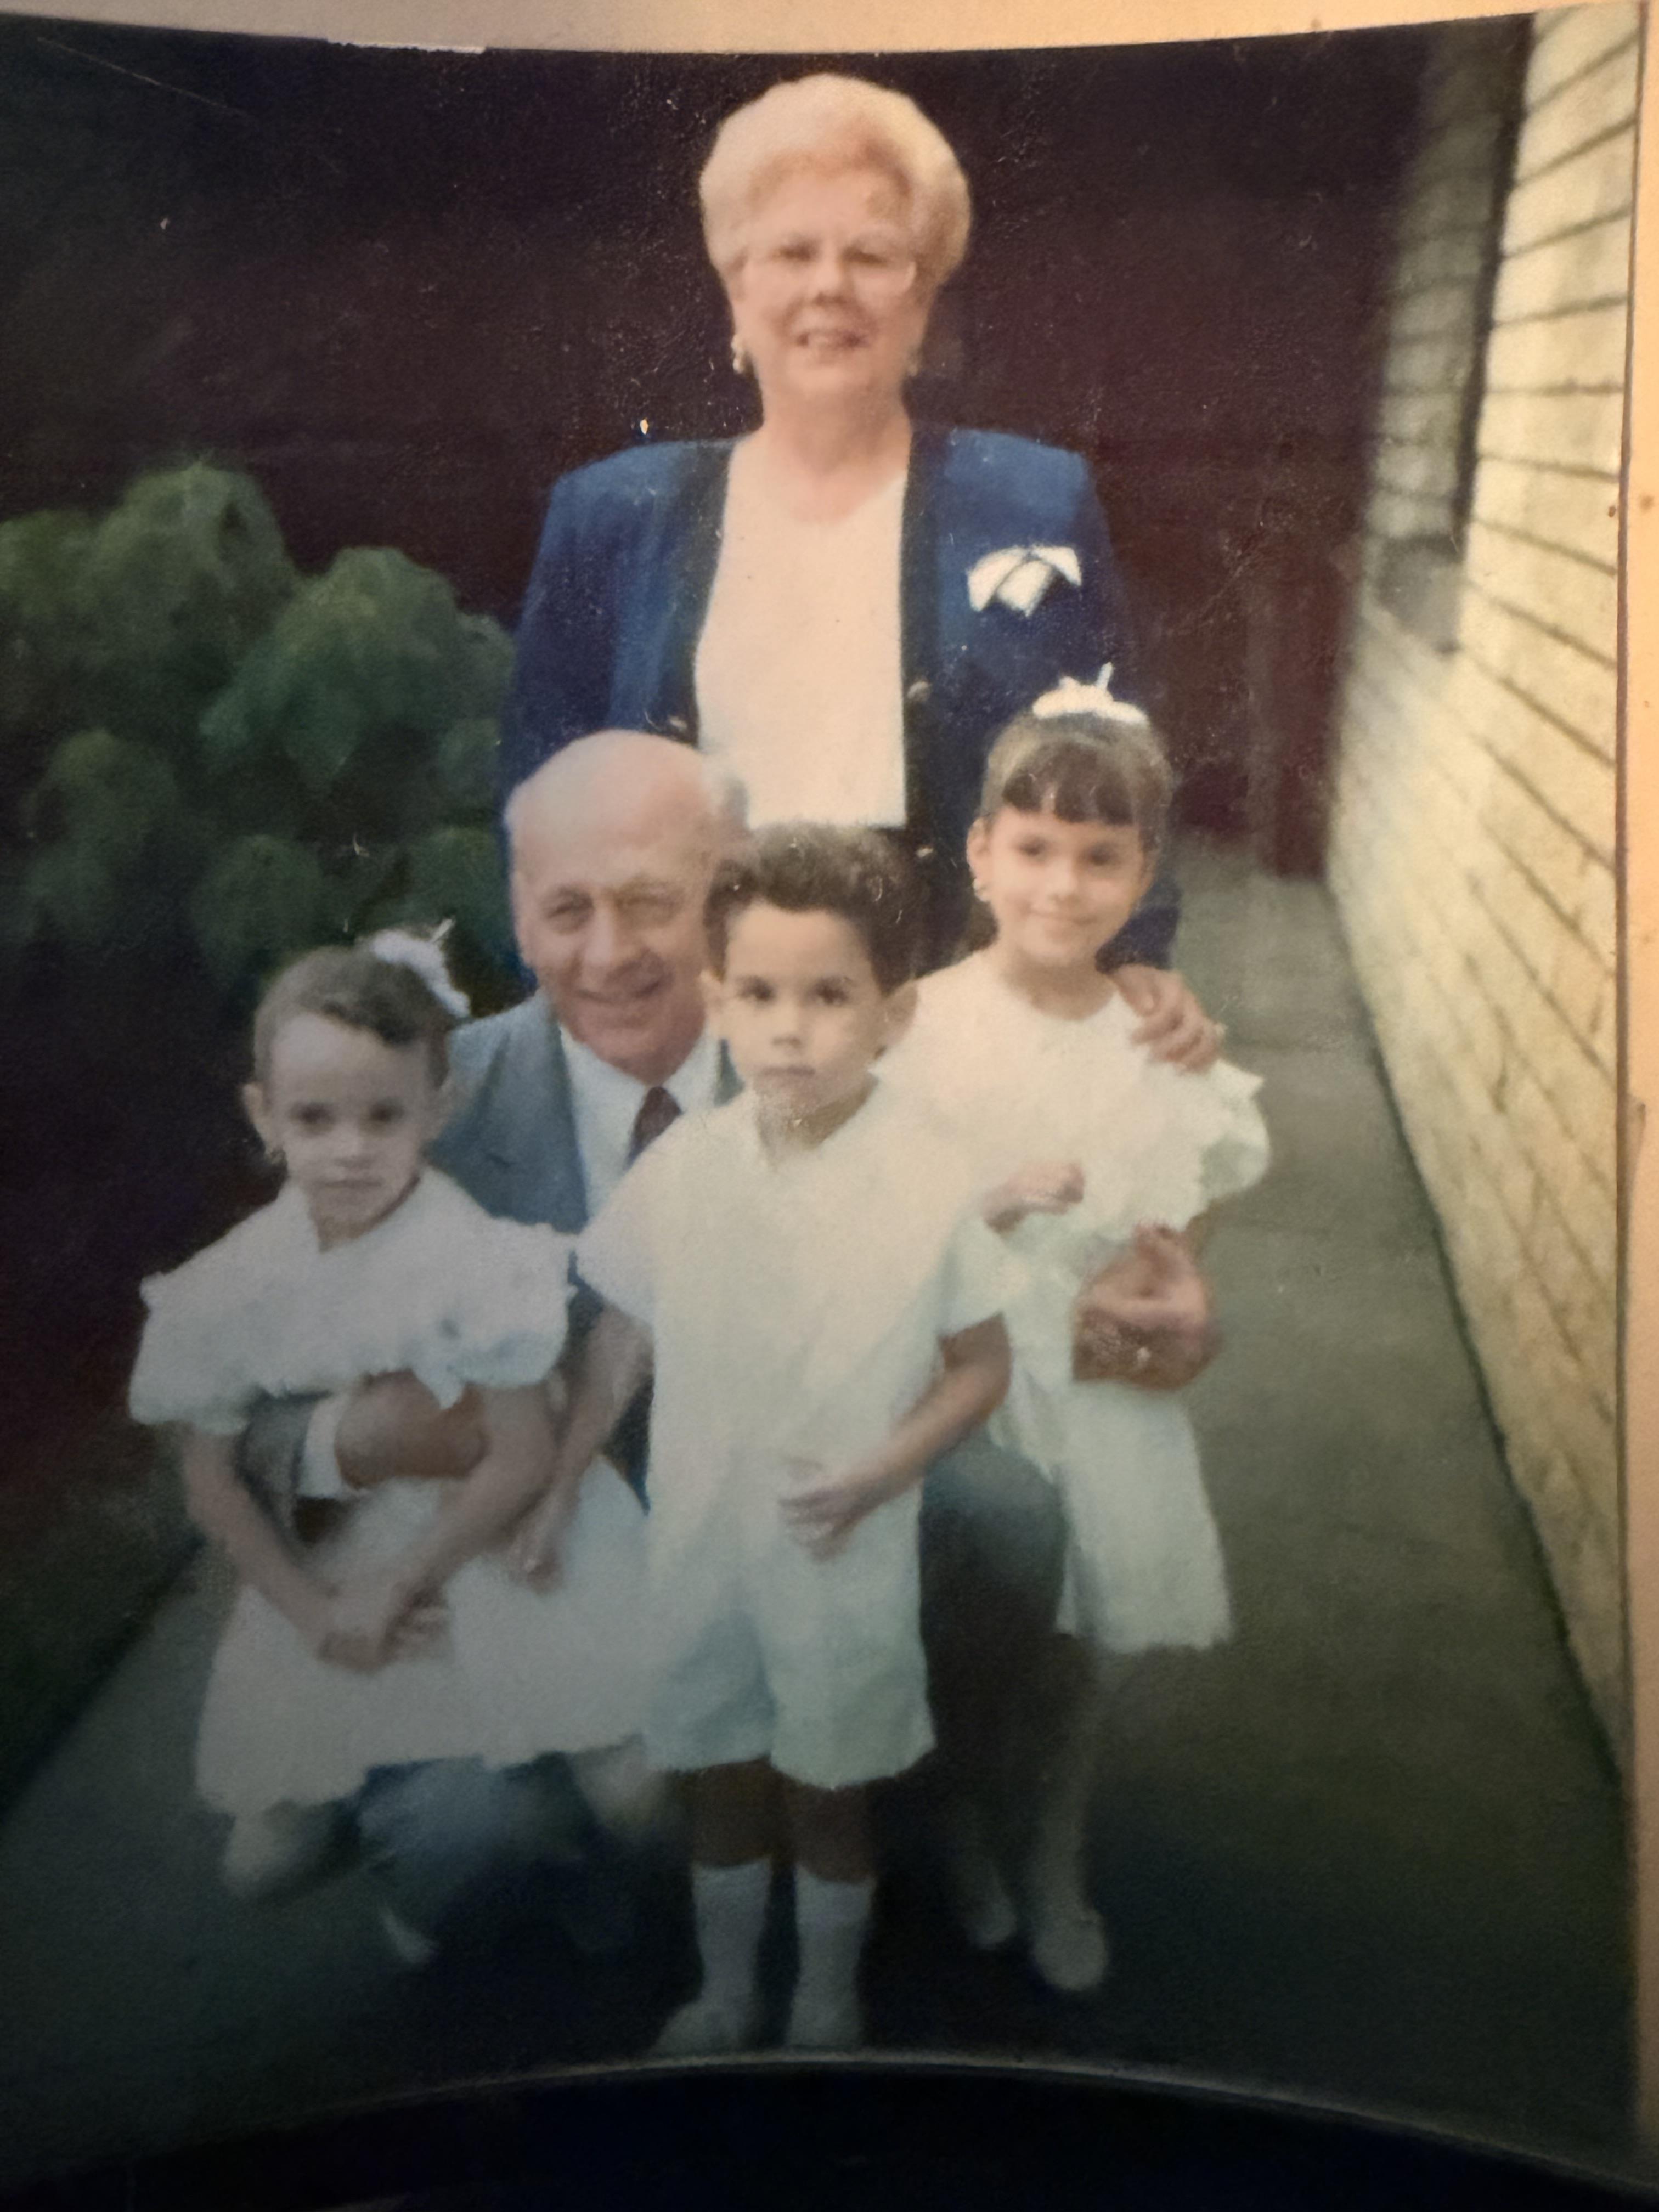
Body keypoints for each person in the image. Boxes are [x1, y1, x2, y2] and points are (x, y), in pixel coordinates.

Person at [500, 70, 1217, 1064]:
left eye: (873, 256)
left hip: (948, 1003)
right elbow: (538, 793)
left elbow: (1111, 753)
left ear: (922, 304)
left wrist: (1135, 952)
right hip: (691, 1009)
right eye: (791, 251)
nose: (828, 285)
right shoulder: (614, 513)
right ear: (737, 294)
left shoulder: (1032, 502)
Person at [514, 826, 1018, 2053]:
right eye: (761, 994)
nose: (791, 1028)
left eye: (830, 995)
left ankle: (826, 2002)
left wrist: (880, 1471)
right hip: (707, 1533)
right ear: (717, 1002)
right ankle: (728, 1990)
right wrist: (562, 1479)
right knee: (723, 1778)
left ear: (893, 1016)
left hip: (842, 1544)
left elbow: (981, 1368)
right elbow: (620, 1336)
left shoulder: (933, 1175)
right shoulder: (688, 1167)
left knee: (828, 1785)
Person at [129, 935, 649, 1962]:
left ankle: (566, 1881)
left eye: (384, 1116)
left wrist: (403, 1581)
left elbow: (518, 1450)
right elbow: (212, 1481)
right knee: (263, 1860)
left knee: (635, 1791)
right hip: (335, 1569)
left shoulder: (474, 1265)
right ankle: (422, 1857)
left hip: (483, 1544)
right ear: (263, 1117)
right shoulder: (229, 1285)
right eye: (315, 1118)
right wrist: (319, 1610)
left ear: (437, 1110)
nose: (351, 1149)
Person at [881, 674, 1269, 1995]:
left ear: (1142, 871)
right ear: (981, 854)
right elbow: (885, 1235)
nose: (1064, 886)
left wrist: (1173, 1299)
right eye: (1034, 849)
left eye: (1101, 859)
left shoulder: (1156, 1039)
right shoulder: (917, 1029)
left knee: (1078, 1664)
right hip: (971, 1392)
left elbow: (1188, 1204)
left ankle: (1051, 1852)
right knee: (974, 1644)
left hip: (1103, 1398)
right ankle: (954, 1825)